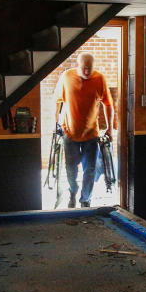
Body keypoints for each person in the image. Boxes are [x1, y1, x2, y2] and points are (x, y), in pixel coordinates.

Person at [53, 52, 113, 208]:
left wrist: (110, 128)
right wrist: (56, 123)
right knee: (71, 168)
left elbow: (108, 104)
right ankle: (73, 191)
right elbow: (58, 101)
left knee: (90, 170)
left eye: (90, 69)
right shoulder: (66, 77)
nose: (87, 72)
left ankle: (85, 199)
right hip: (70, 132)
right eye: (84, 68)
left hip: (91, 134)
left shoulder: (99, 79)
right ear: (78, 65)